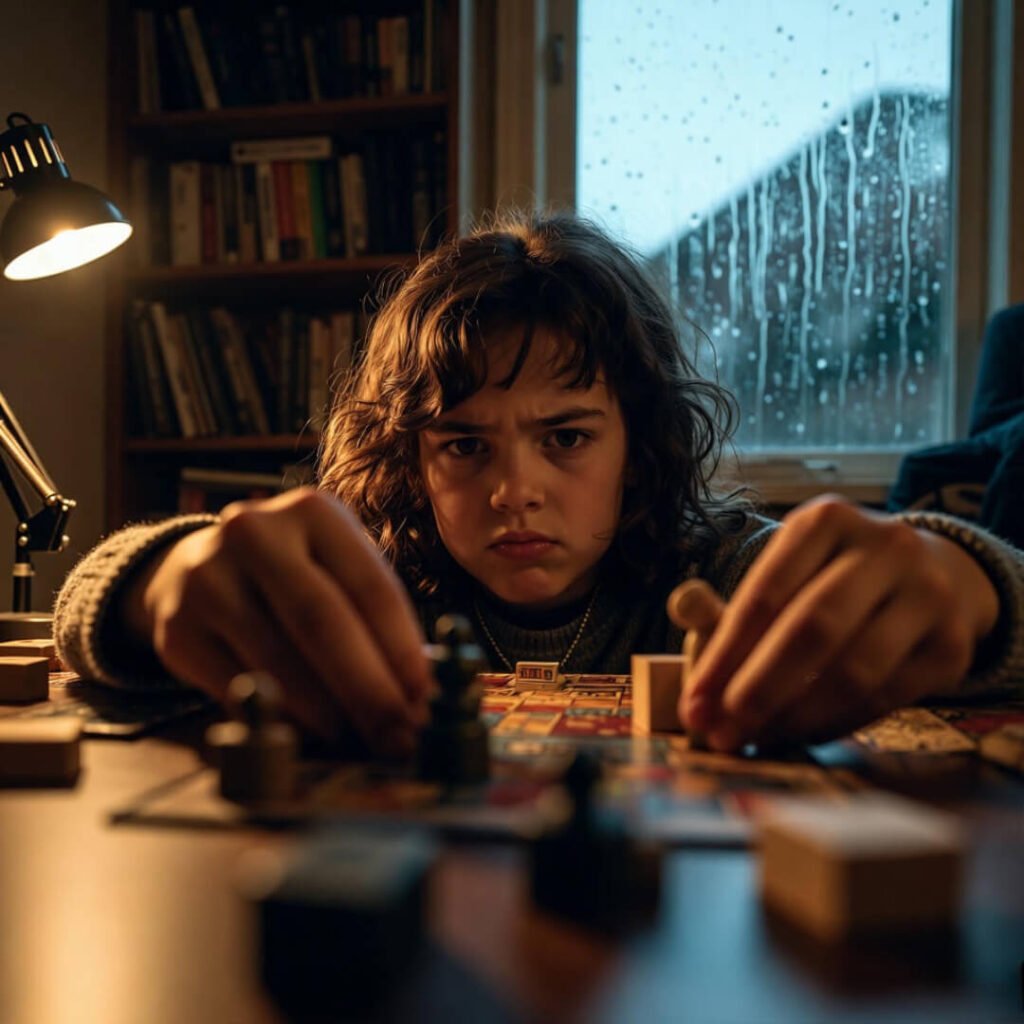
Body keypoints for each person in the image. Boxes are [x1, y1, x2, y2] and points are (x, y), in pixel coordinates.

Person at [54, 211, 1024, 757]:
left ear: (639, 441)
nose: (513, 491)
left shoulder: (722, 572)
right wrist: (157, 582)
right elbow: (82, 610)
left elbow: (962, 610)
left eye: (564, 437)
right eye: (463, 447)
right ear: (410, 458)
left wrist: (972, 587)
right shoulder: (362, 580)